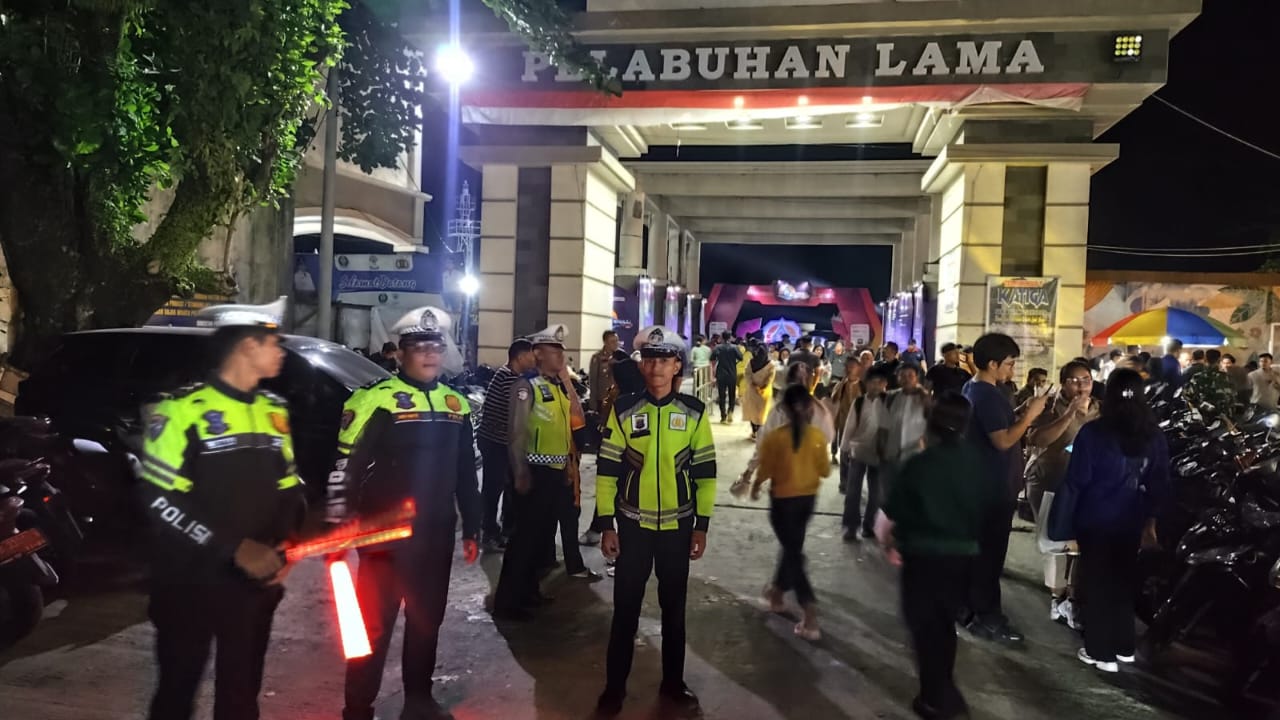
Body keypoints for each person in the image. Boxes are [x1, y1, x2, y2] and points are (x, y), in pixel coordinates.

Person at [139, 298, 304, 720]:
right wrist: (233, 547)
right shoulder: (180, 412)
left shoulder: (273, 411)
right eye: (274, 343)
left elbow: (287, 488)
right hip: (188, 581)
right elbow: (159, 500)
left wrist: (286, 543)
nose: (281, 352)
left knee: (241, 697)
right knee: (177, 693)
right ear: (248, 345)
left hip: (251, 587)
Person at [329, 306, 482, 720]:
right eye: (419, 347)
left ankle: (418, 698)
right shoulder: (374, 400)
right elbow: (344, 468)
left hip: (436, 535)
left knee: (426, 620)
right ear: (400, 353)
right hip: (385, 540)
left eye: (436, 346)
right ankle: (358, 706)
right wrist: (339, 526)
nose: (430, 354)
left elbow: (466, 474)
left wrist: (473, 527)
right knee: (372, 627)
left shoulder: (456, 404)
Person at [595, 326, 716, 716]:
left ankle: (673, 684)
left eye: (664, 360)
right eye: (649, 360)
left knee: (674, 611)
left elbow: (706, 473)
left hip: (678, 531)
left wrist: (701, 525)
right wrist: (607, 523)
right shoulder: (624, 410)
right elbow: (607, 470)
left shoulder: (693, 413)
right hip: (633, 529)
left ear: (677, 366)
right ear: (641, 365)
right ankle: (614, 688)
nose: (656, 368)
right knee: (625, 612)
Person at [877, 393, 997, 720]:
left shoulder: (920, 464)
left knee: (923, 626)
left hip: (923, 558)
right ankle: (943, 687)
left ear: (930, 424)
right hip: (963, 558)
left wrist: (890, 544)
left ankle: (936, 699)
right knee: (944, 625)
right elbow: (990, 508)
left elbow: (893, 513)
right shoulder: (977, 463)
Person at [1057, 368, 1168, 673]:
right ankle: (1124, 646)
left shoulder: (1094, 432)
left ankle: (1100, 652)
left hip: (1095, 517)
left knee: (1096, 583)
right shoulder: (1153, 436)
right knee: (1122, 580)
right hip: (1132, 518)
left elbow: (1078, 479)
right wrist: (1151, 521)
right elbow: (1160, 483)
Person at [960, 333, 1048, 645]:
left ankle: (968, 610)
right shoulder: (986, 394)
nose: (1012, 369)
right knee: (989, 559)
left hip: (981, 485)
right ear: (993, 364)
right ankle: (988, 619)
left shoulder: (974, 388)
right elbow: (1003, 440)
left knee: (978, 555)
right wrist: (1031, 415)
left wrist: (1022, 410)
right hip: (992, 489)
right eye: (1009, 364)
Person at [493, 325, 585, 620]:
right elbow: (516, 432)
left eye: (561, 351)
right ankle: (508, 602)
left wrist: (568, 467)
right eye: (554, 351)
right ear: (538, 354)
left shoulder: (557, 387)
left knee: (541, 539)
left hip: (556, 473)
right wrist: (520, 471)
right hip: (534, 473)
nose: (561, 356)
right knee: (523, 540)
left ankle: (530, 592)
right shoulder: (526, 386)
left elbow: (570, 425)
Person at [752, 384, 832, 641]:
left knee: (794, 554)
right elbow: (825, 471)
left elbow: (766, 468)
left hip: (783, 502)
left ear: (784, 409)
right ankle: (776, 593)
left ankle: (810, 613)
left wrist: (755, 485)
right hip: (807, 502)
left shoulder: (776, 438)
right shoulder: (817, 438)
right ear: (809, 409)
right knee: (792, 548)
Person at [1025, 360, 1099, 630]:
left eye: (1086, 379)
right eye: (1074, 381)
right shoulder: (1047, 406)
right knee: (1054, 541)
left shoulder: (1100, 409)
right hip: (1049, 480)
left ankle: (1073, 596)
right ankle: (1058, 597)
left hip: (1085, 486)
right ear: (1063, 383)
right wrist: (1068, 414)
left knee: (1079, 543)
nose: (1081, 386)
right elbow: (1037, 439)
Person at [475, 339, 536, 552]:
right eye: (531, 355)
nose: (534, 359)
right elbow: (520, 415)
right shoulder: (510, 380)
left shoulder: (508, 374)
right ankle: (489, 533)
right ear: (520, 357)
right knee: (493, 489)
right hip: (495, 442)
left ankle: (501, 529)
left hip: (498, 441)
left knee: (504, 487)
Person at [839, 368, 889, 541]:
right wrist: (844, 449)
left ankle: (870, 526)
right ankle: (850, 527)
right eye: (872, 382)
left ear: (885, 384)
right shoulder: (859, 402)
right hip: (858, 452)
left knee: (876, 493)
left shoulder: (890, 402)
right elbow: (849, 427)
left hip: (879, 454)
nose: (876, 386)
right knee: (853, 491)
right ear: (866, 384)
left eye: (879, 382)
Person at [880, 364, 932, 489]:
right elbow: (883, 425)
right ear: (897, 378)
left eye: (910, 375)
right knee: (890, 489)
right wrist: (881, 447)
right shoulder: (891, 397)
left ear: (917, 378)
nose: (906, 379)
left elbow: (931, 426)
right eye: (902, 376)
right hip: (892, 453)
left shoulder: (925, 399)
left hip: (916, 455)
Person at [1184, 347, 1236, 417]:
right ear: (1219, 360)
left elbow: (1188, 396)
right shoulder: (1228, 377)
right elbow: (1233, 397)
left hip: (1205, 416)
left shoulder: (1197, 377)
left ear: (1205, 359)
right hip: (1224, 417)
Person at [829, 356, 863, 463]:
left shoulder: (862, 385)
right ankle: (835, 454)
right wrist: (842, 382)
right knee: (840, 439)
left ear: (858, 368)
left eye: (852, 366)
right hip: (842, 417)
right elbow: (834, 399)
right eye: (847, 366)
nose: (849, 369)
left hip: (856, 419)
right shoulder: (841, 384)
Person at [742, 341, 777, 441]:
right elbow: (770, 378)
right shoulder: (771, 364)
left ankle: (754, 432)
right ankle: (759, 432)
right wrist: (763, 387)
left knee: (753, 412)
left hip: (752, 391)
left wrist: (753, 385)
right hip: (764, 392)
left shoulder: (751, 362)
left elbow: (747, 374)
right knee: (762, 412)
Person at [712, 330, 743, 424]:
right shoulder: (734, 347)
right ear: (730, 337)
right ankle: (730, 411)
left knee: (721, 395)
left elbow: (712, 358)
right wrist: (734, 362)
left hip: (721, 374)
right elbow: (741, 358)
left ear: (722, 337)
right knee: (732, 394)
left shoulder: (718, 347)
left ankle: (723, 416)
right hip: (732, 373)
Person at [589, 331, 621, 414]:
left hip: (618, 398)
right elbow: (593, 381)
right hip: (603, 399)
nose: (616, 344)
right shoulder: (597, 358)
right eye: (612, 341)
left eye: (617, 341)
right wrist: (593, 403)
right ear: (605, 342)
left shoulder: (621, 357)